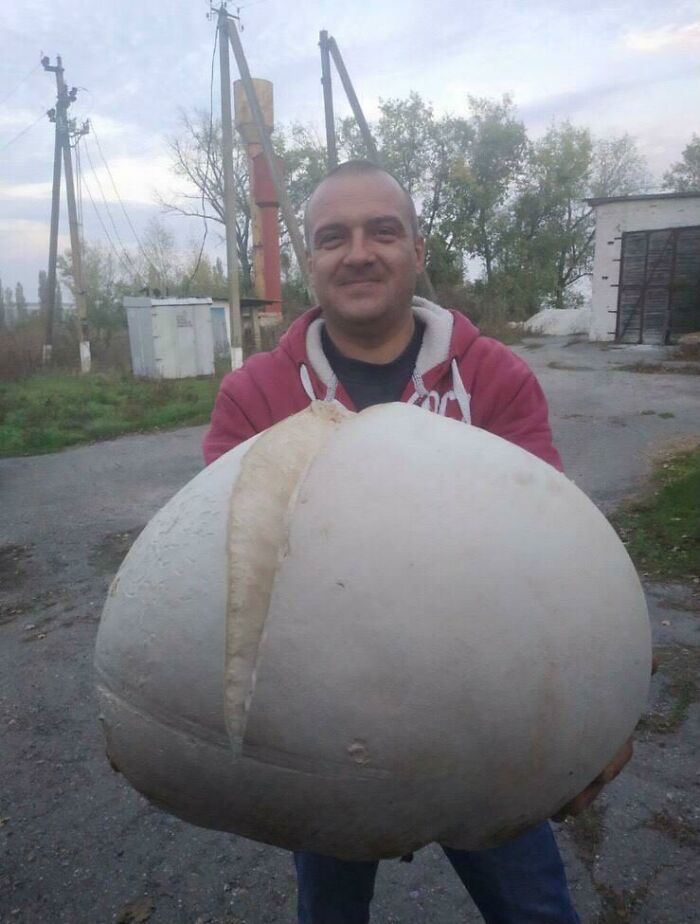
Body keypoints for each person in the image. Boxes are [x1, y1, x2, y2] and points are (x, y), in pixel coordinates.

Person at [203, 160, 633, 924]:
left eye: (383, 231)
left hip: (484, 718)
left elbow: (554, 556)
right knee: (331, 913)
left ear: (418, 250)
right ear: (309, 262)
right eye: (333, 237)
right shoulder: (255, 396)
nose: (358, 252)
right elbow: (223, 573)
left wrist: (603, 709)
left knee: (535, 911)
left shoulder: (495, 378)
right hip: (324, 728)